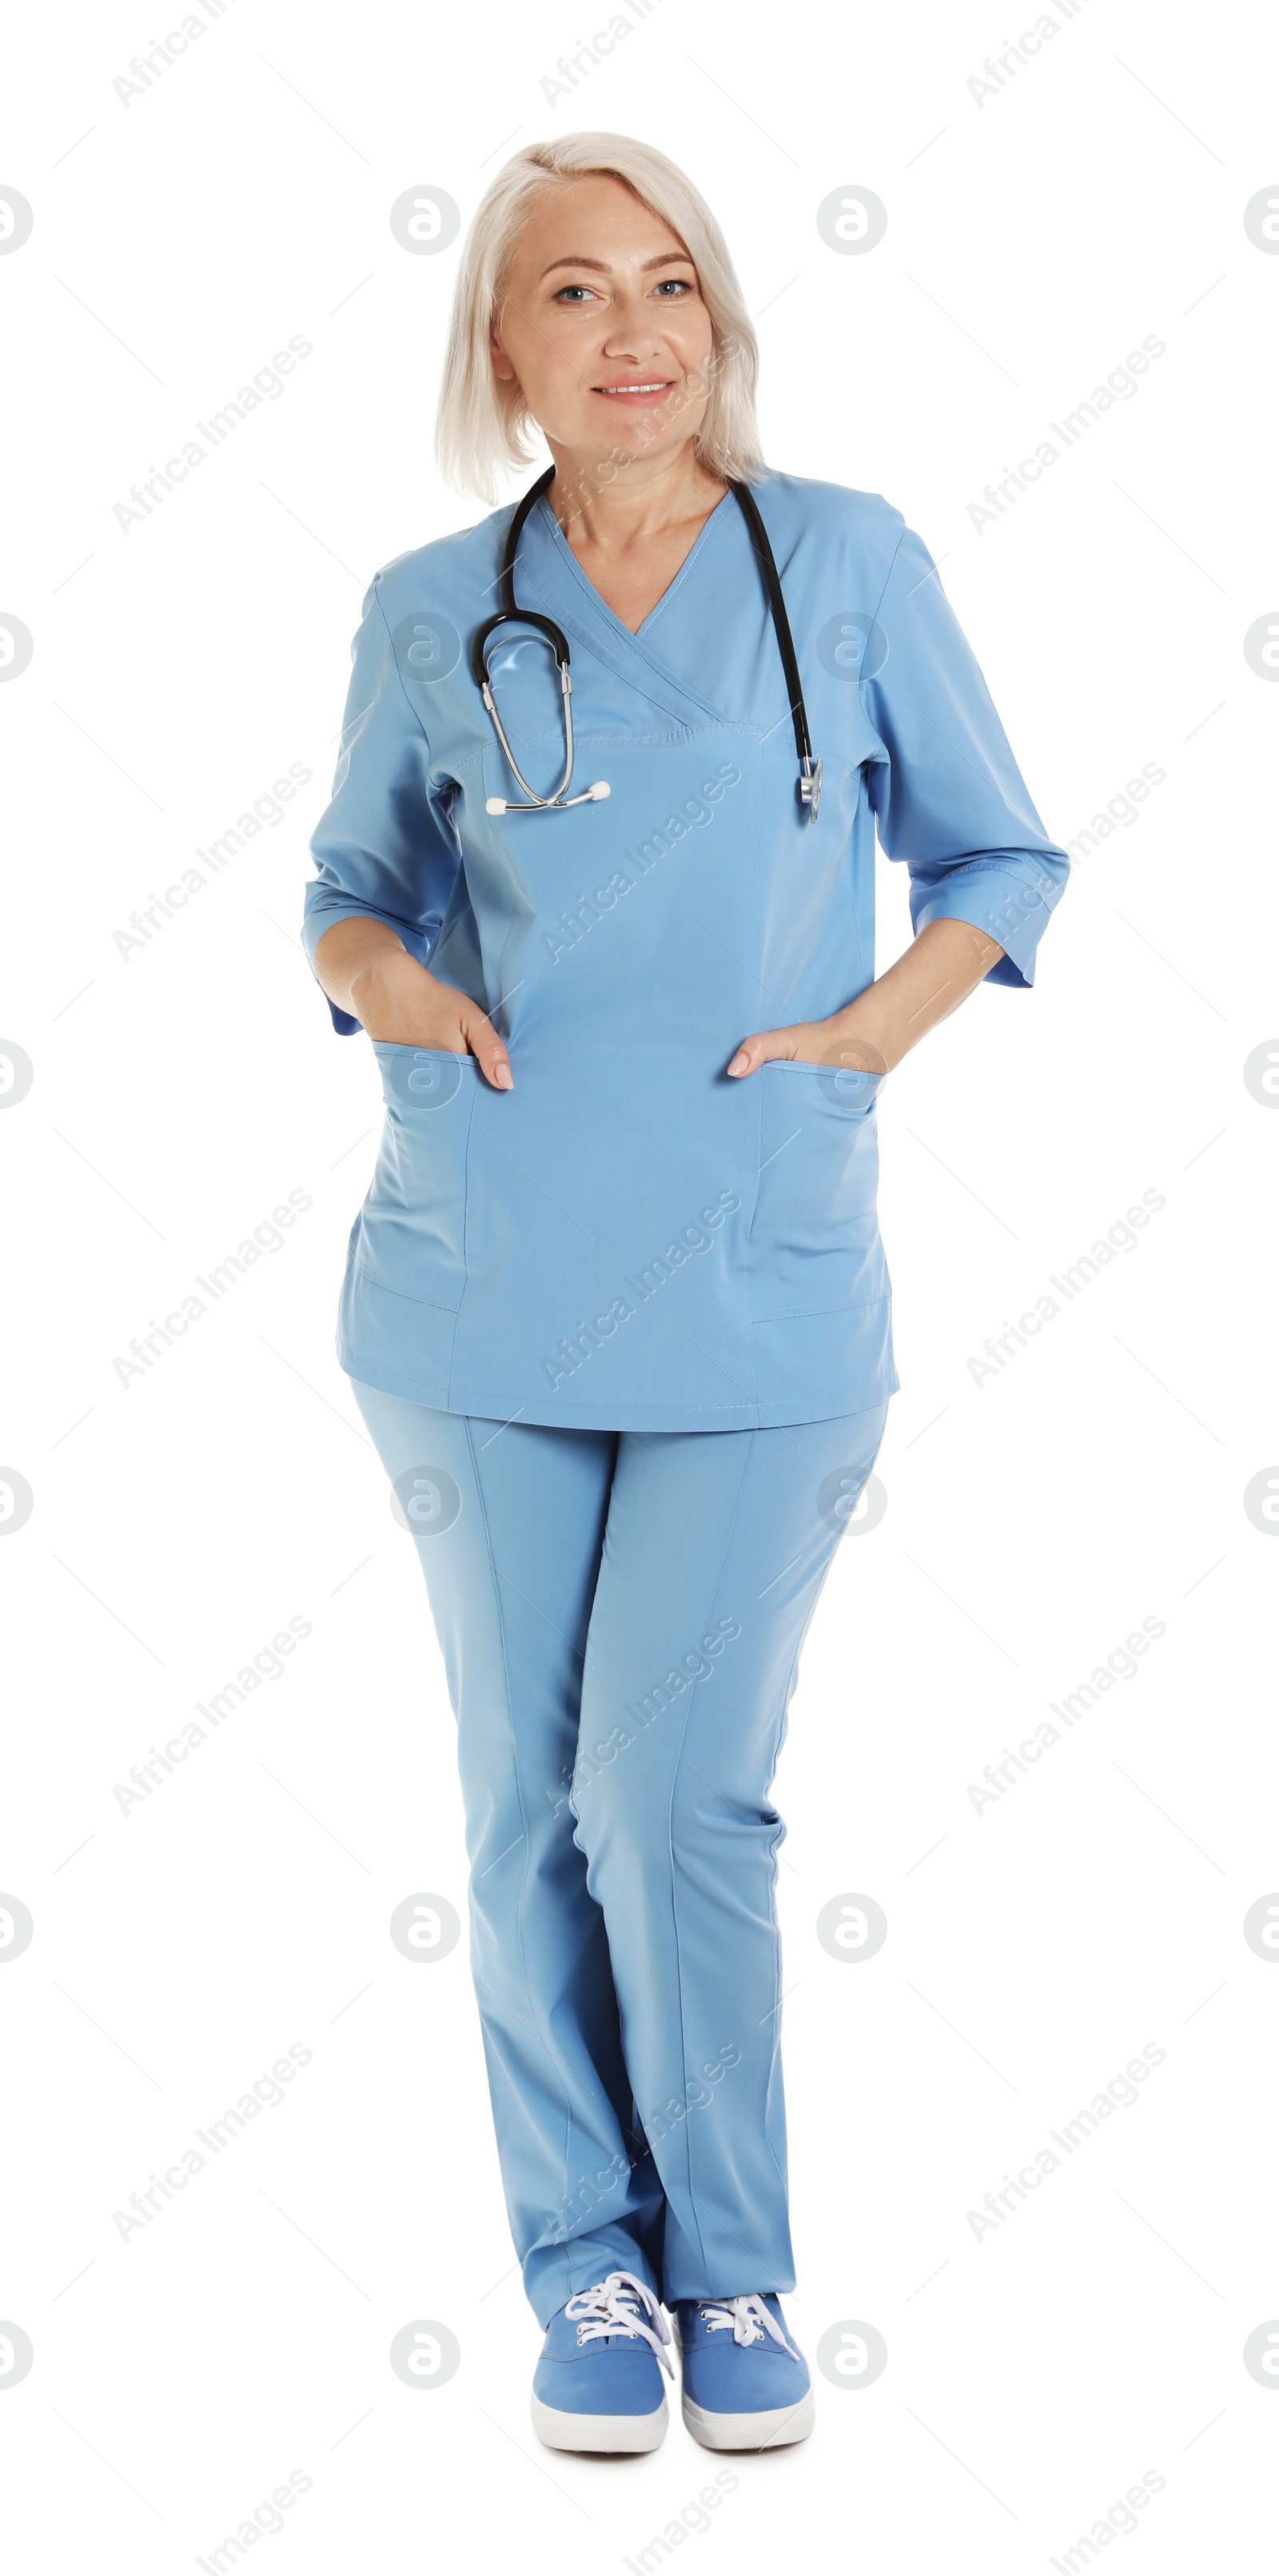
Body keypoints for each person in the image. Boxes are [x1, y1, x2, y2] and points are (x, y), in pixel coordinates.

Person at [301, 131, 1068, 2455]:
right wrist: (390, 987)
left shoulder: (840, 560)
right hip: (477, 1277)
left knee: (674, 1804)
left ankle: (731, 2268)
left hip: (755, 1266)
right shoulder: (435, 602)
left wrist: (860, 1040)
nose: (633, 332)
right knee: (519, 1807)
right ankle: (586, 2278)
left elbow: (1004, 848)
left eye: (671, 286)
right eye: (571, 294)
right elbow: (351, 888)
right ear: (501, 349)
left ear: (720, 320)